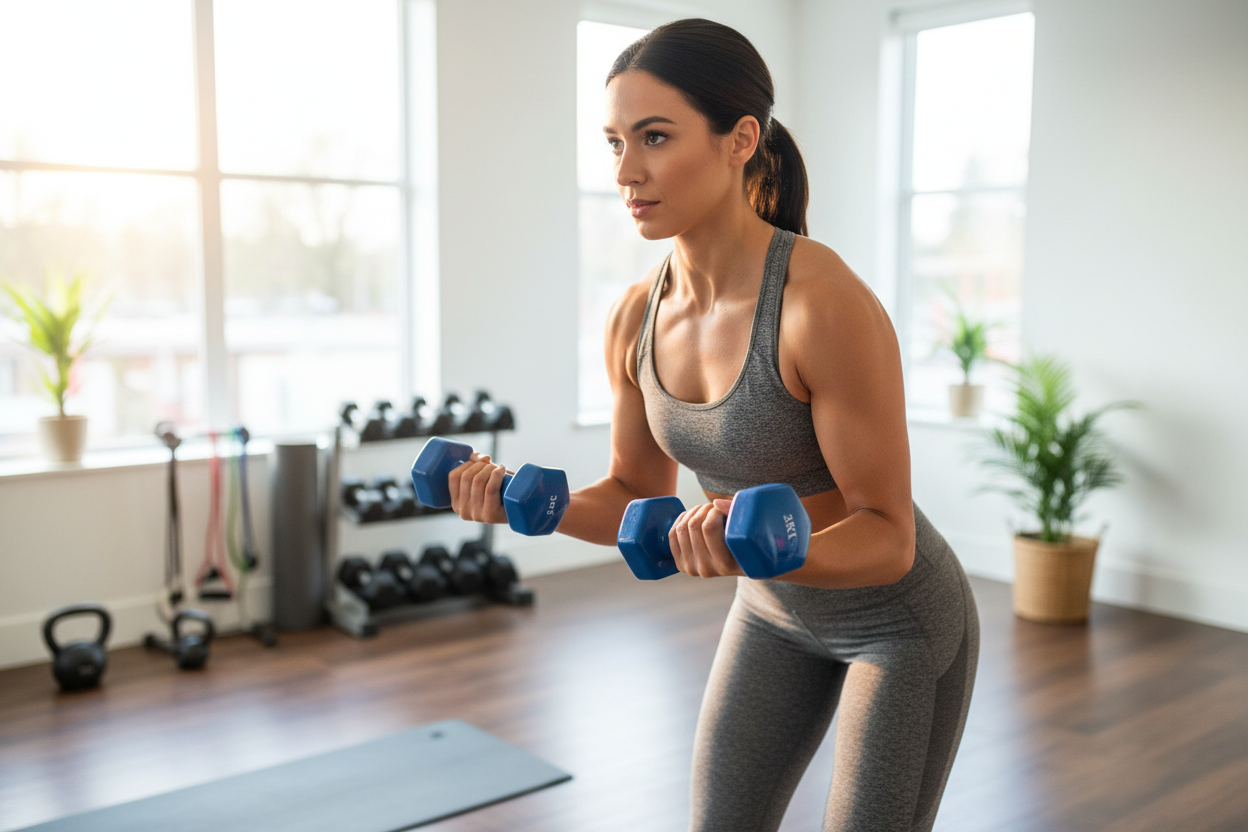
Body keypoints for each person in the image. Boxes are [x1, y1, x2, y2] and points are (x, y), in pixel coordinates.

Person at [446, 17, 979, 832]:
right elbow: (634, 491)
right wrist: (521, 500)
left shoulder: (818, 303)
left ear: (740, 140)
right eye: (615, 143)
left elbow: (888, 533)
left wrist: (746, 545)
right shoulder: (635, 316)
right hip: (772, 612)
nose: (628, 171)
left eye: (655, 137)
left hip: (896, 623)